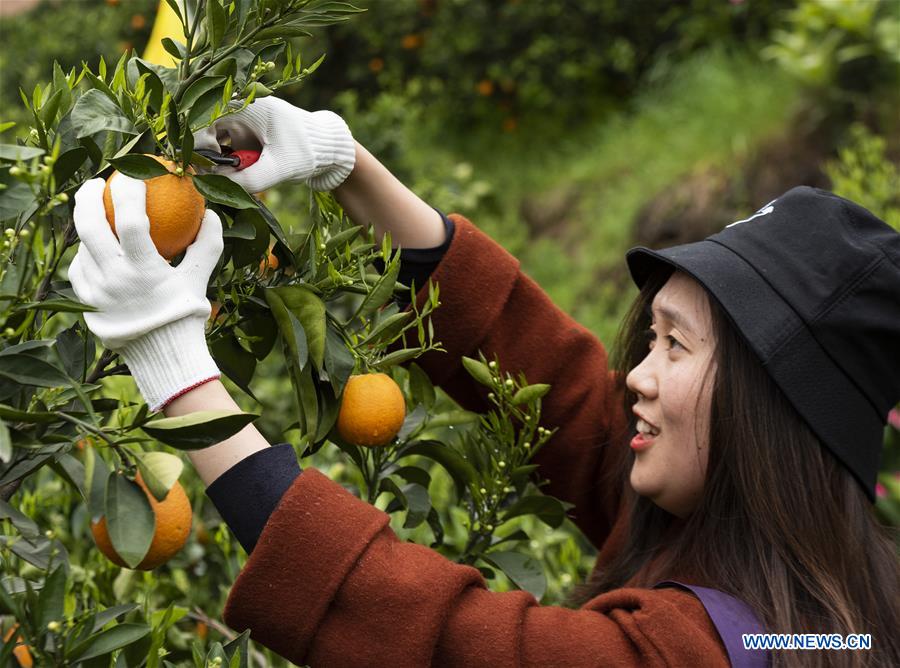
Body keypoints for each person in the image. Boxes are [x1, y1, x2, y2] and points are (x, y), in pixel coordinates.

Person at [67, 96, 900, 667]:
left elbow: (443, 643)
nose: (635, 378)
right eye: (649, 338)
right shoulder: (805, 591)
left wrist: (179, 374)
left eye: (674, 348)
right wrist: (346, 164)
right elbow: (555, 381)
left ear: (772, 413)